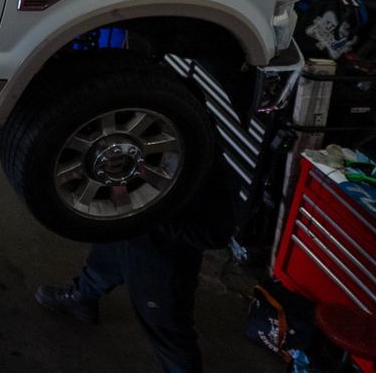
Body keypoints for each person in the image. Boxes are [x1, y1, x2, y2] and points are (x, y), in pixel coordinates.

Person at [34, 158, 238, 373]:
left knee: (168, 332)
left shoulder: (206, 167)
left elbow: (216, 234)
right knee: (101, 266)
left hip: (162, 259)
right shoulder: (147, 138)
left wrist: (150, 216)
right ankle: (81, 300)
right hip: (128, 227)